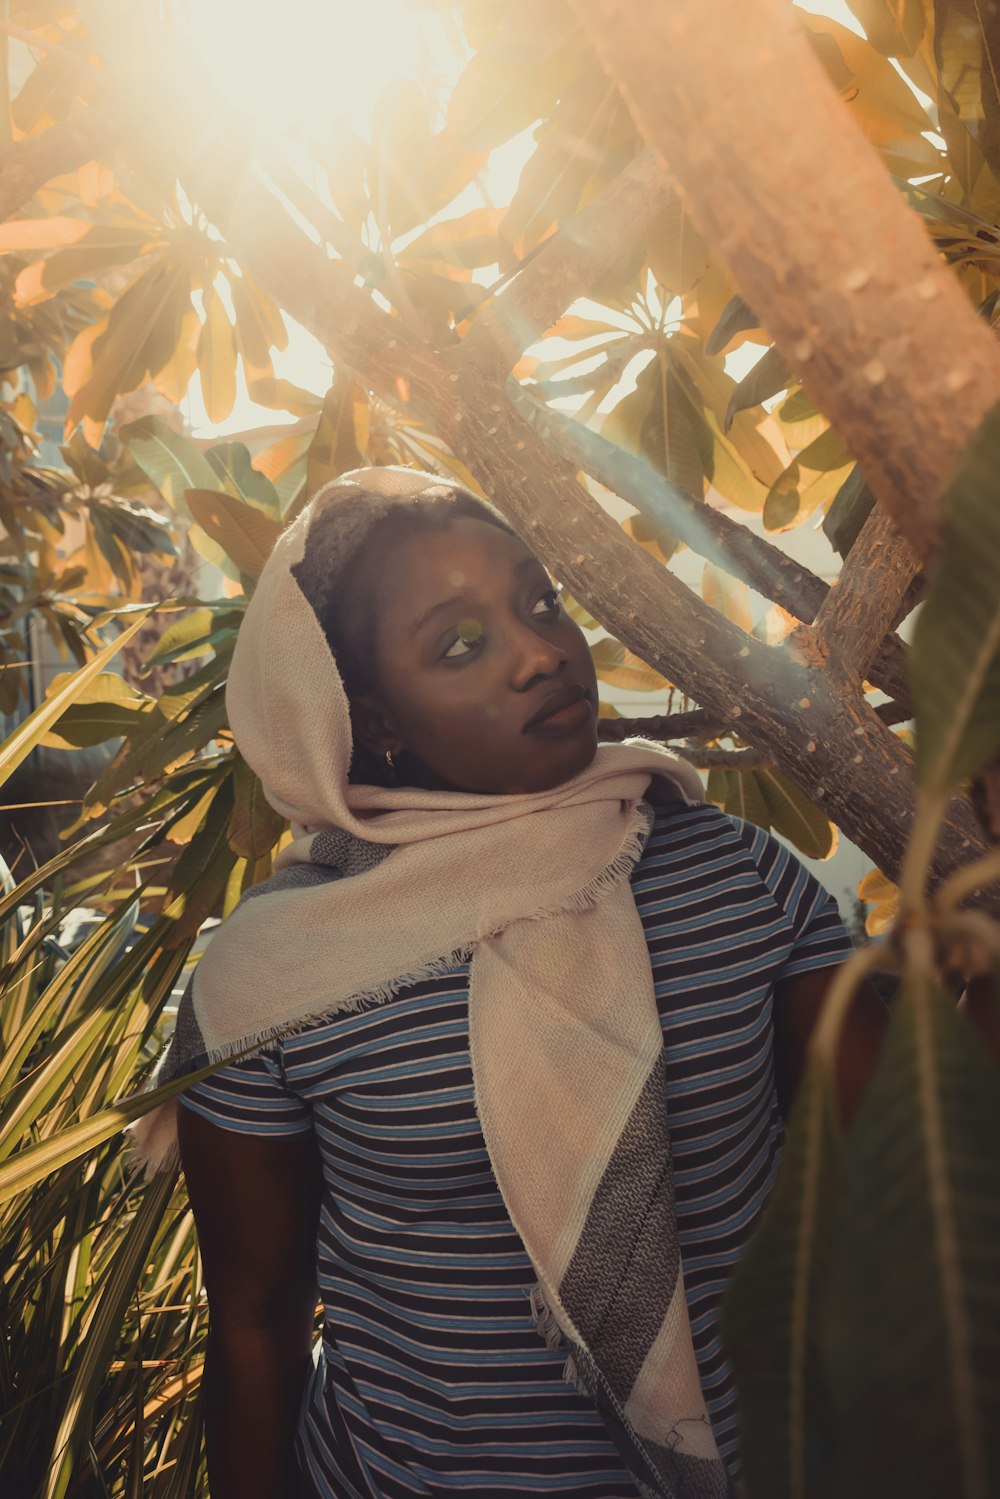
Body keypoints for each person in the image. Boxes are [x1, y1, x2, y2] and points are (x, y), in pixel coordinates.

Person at [159, 467, 886, 1499]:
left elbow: (907, 1162)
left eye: (539, 601)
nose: (542, 651)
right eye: (461, 642)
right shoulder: (265, 981)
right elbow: (254, 1315)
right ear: (371, 720)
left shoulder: (735, 876)